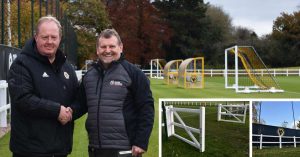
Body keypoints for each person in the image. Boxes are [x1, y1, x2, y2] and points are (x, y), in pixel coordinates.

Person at [75, 29, 154, 157]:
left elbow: (146, 109)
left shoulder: (134, 74)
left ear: (121, 47)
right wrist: (62, 112)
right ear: (97, 49)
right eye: (103, 46)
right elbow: (80, 105)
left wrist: (141, 141)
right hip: (95, 149)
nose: (107, 50)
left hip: (124, 150)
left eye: (112, 46)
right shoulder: (89, 76)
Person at [8, 15, 78, 157]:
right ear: (36, 37)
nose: (50, 41)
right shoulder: (21, 64)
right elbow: (23, 99)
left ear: (60, 38)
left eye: (54, 37)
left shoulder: (67, 67)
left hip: (60, 150)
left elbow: (78, 98)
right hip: (29, 151)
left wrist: (71, 111)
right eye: (45, 37)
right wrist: (56, 110)